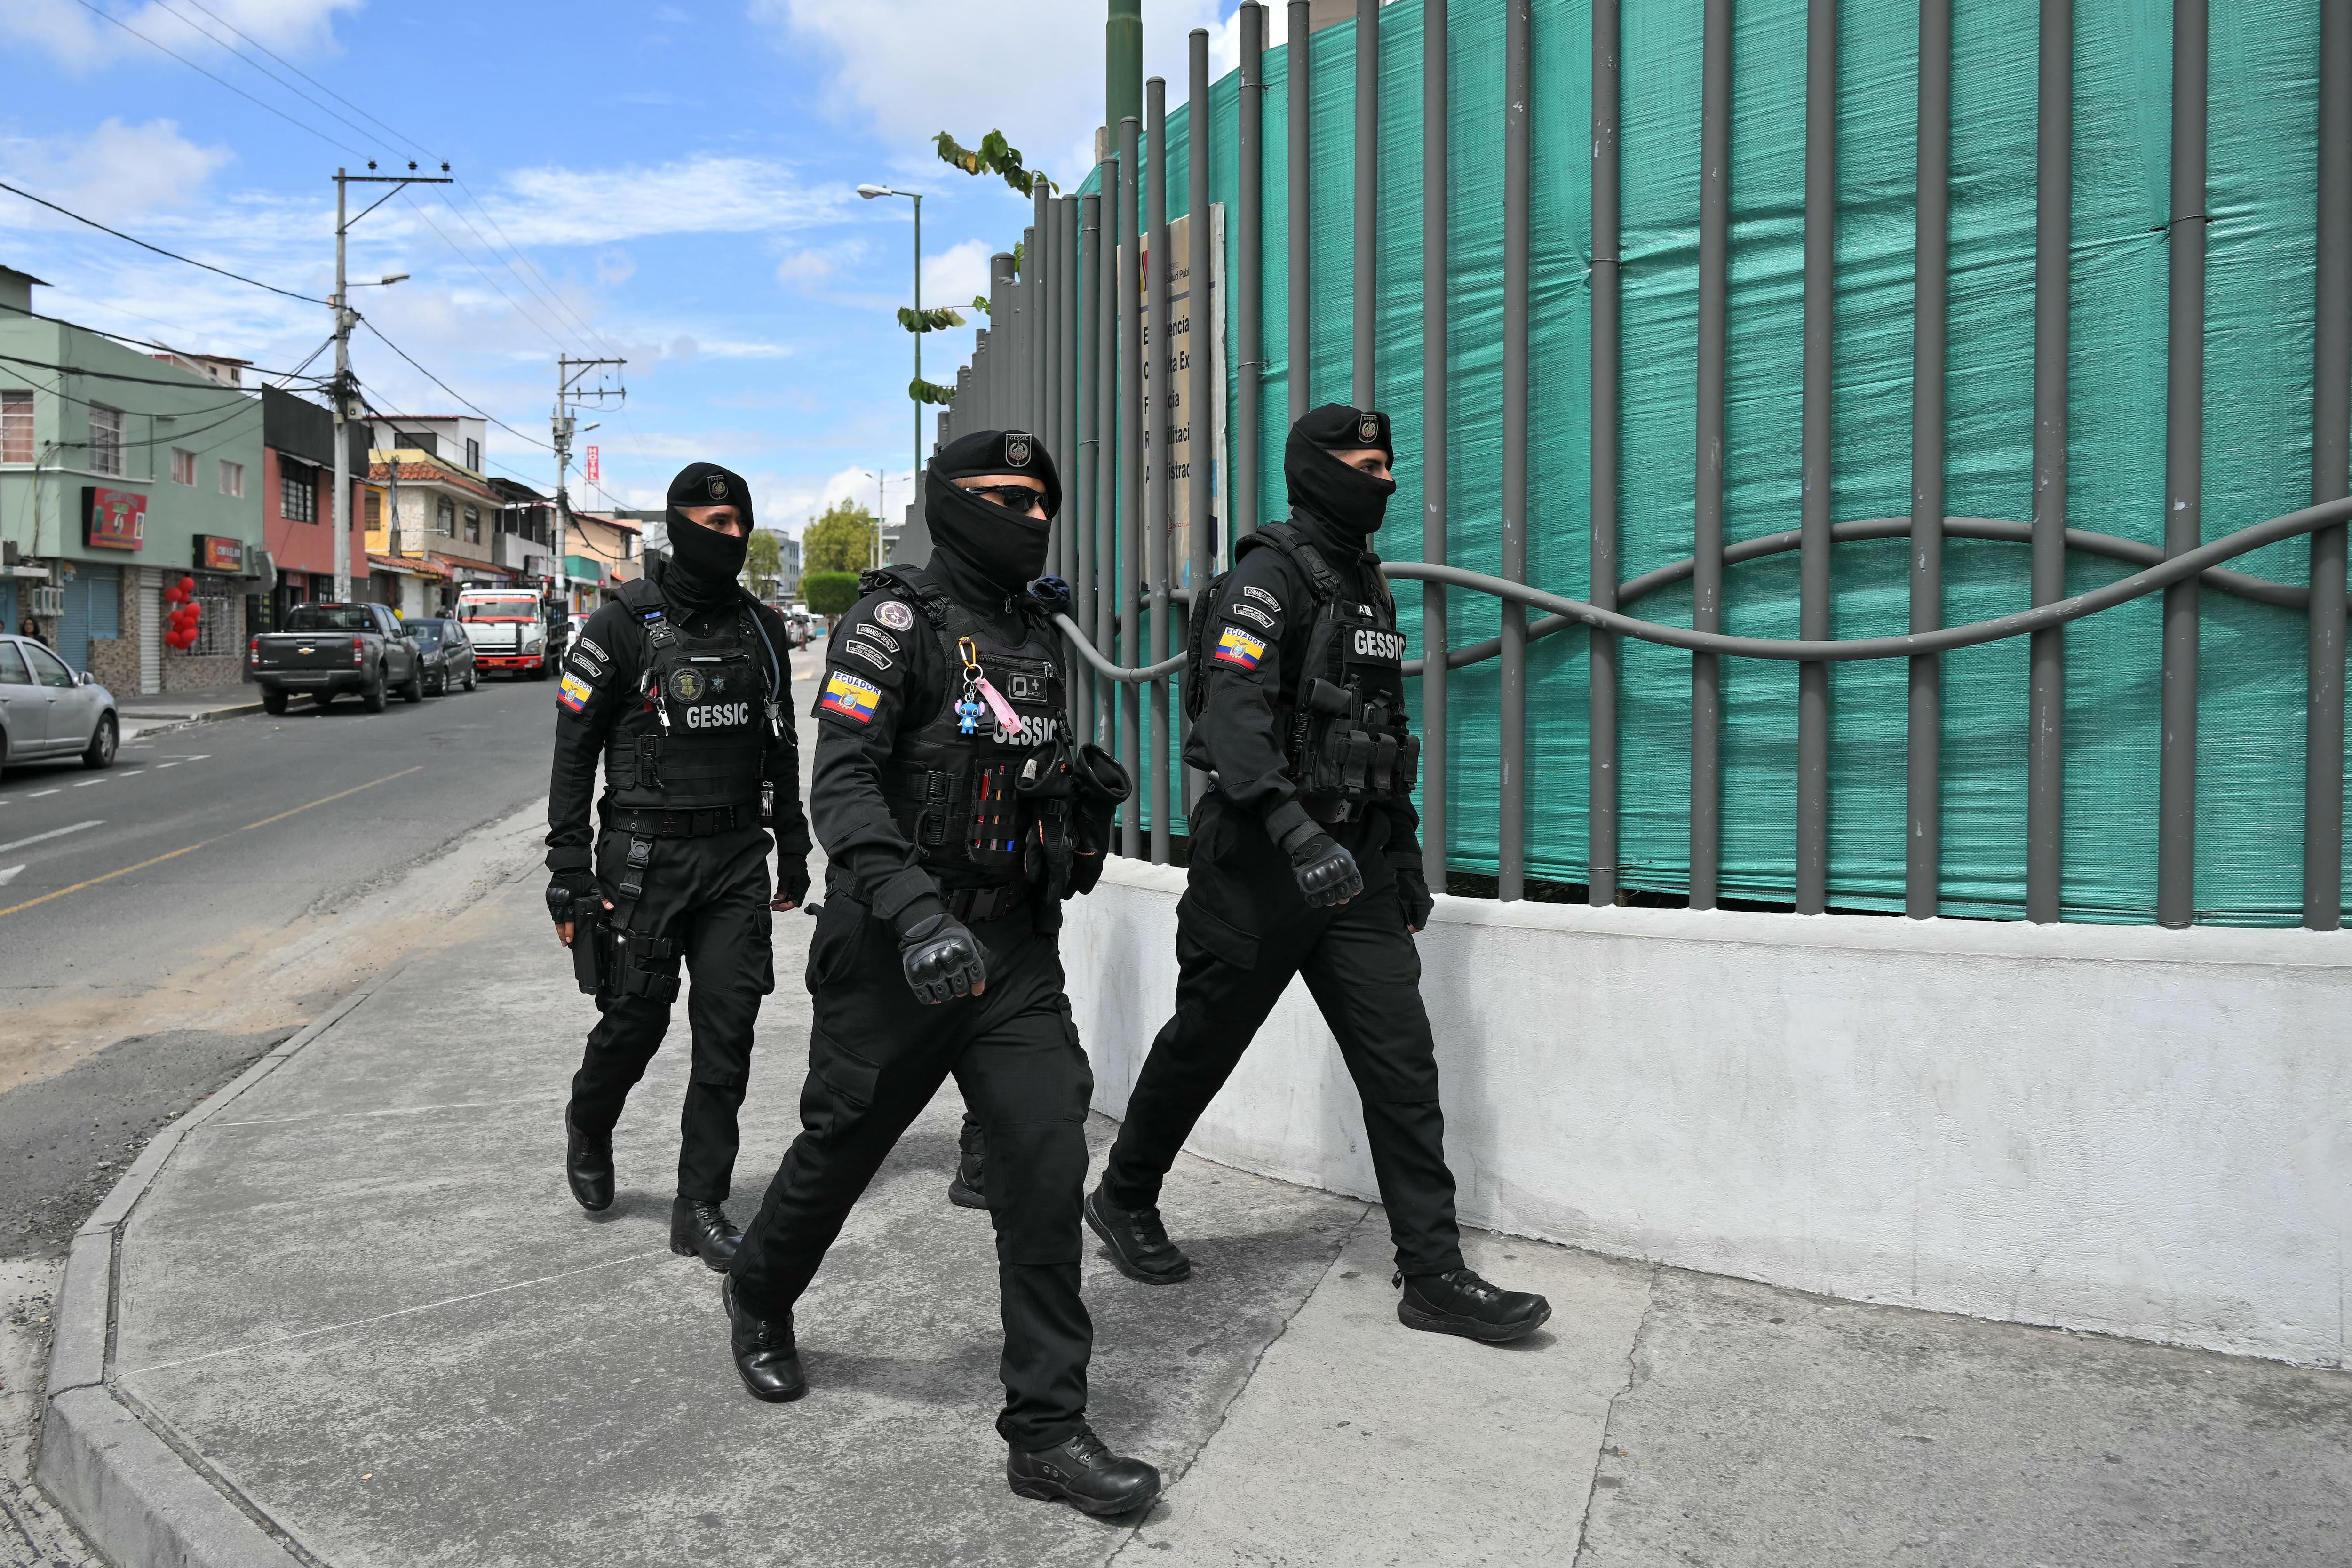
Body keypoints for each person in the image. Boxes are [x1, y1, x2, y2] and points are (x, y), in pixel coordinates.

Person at [724, 429, 1155, 1518]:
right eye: (1006, 495)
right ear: (947, 501)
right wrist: (915, 911)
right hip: (895, 951)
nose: (1031, 512)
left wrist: (1074, 813)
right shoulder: (891, 621)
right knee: (841, 1145)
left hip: (1011, 951)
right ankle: (760, 1289)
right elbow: (846, 787)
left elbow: (1020, 769)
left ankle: (1047, 1429)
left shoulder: (1032, 630)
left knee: (1047, 1161)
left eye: (1041, 497)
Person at [1086, 405, 1553, 1346]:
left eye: (1389, 461)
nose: (1382, 478)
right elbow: (1229, 715)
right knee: (1204, 1043)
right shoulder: (1267, 575)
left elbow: (1380, 738)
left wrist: (1405, 855)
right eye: (1364, 463)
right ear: (1314, 469)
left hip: (1359, 871)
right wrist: (1298, 832)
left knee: (1401, 1063)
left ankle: (1432, 1271)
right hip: (1264, 864)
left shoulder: (1366, 587)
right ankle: (1123, 1195)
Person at [544, 462, 812, 1271]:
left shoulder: (763, 628)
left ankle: (699, 1204)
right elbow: (572, 756)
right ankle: (590, 1119)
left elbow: (780, 744)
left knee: (727, 1034)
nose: (729, 537)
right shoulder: (617, 628)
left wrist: (793, 841)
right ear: (677, 524)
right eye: (714, 523)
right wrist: (568, 870)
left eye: (740, 525)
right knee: (636, 1020)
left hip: (735, 858)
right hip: (644, 864)